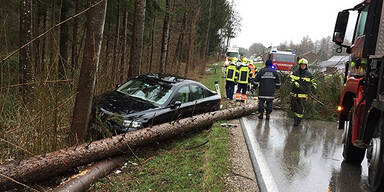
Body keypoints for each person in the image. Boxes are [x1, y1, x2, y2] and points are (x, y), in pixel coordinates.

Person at [290, 58, 317, 126]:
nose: (303, 66)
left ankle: (298, 121)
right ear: (299, 65)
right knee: (293, 108)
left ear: (306, 65)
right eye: (301, 65)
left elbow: (313, 82)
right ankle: (295, 118)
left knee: (300, 109)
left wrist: (314, 88)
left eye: (304, 65)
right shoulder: (295, 72)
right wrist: (294, 83)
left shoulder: (309, 74)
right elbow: (291, 80)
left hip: (303, 94)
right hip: (294, 93)